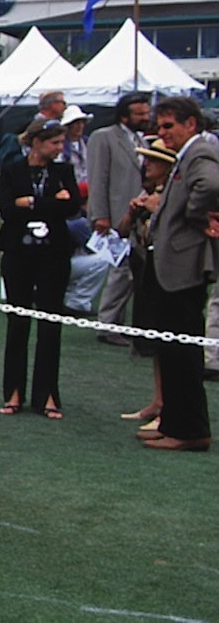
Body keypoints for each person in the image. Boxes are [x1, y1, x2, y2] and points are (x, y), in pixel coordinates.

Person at [132, 97, 219, 451]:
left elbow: (210, 186)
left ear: (191, 124)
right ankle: (172, 422)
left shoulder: (200, 153)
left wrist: (194, 216)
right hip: (170, 266)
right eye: (160, 127)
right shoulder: (187, 155)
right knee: (169, 348)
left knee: (182, 351)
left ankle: (190, 430)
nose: (162, 134)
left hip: (184, 268)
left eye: (169, 126)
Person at [0, 117, 82, 418]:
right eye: (55, 142)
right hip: (18, 253)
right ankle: (13, 392)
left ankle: (47, 395)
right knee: (17, 321)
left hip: (54, 253)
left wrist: (31, 202)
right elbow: (7, 209)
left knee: (50, 321)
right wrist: (50, 202)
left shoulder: (63, 171)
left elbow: (72, 206)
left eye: (62, 142)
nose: (60, 148)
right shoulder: (12, 169)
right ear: (36, 142)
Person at [117, 136, 178, 429]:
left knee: (169, 340)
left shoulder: (174, 195)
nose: (147, 166)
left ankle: (170, 406)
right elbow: (121, 231)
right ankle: (158, 399)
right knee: (153, 339)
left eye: (154, 161)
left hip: (166, 272)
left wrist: (157, 210)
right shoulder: (147, 193)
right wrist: (132, 212)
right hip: (144, 269)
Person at [86, 92, 152, 344]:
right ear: (124, 115)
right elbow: (97, 179)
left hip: (138, 216)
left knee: (131, 271)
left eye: (146, 112)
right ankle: (107, 324)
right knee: (121, 271)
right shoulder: (103, 138)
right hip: (115, 217)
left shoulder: (142, 140)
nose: (145, 117)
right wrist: (100, 214)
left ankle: (117, 322)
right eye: (140, 113)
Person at [0, 89, 66, 167]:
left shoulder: (60, 126)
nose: (65, 107)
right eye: (63, 103)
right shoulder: (26, 126)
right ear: (53, 104)